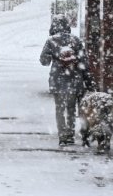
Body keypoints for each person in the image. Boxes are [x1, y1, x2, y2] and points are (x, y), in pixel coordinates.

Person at [39, 14, 91, 146]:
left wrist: (54, 56)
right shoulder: (76, 40)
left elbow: (44, 61)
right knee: (71, 109)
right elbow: (84, 61)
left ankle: (62, 135)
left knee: (60, 109)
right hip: (74, 79)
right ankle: (70, 134)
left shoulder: (51, 41)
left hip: (57, 80)